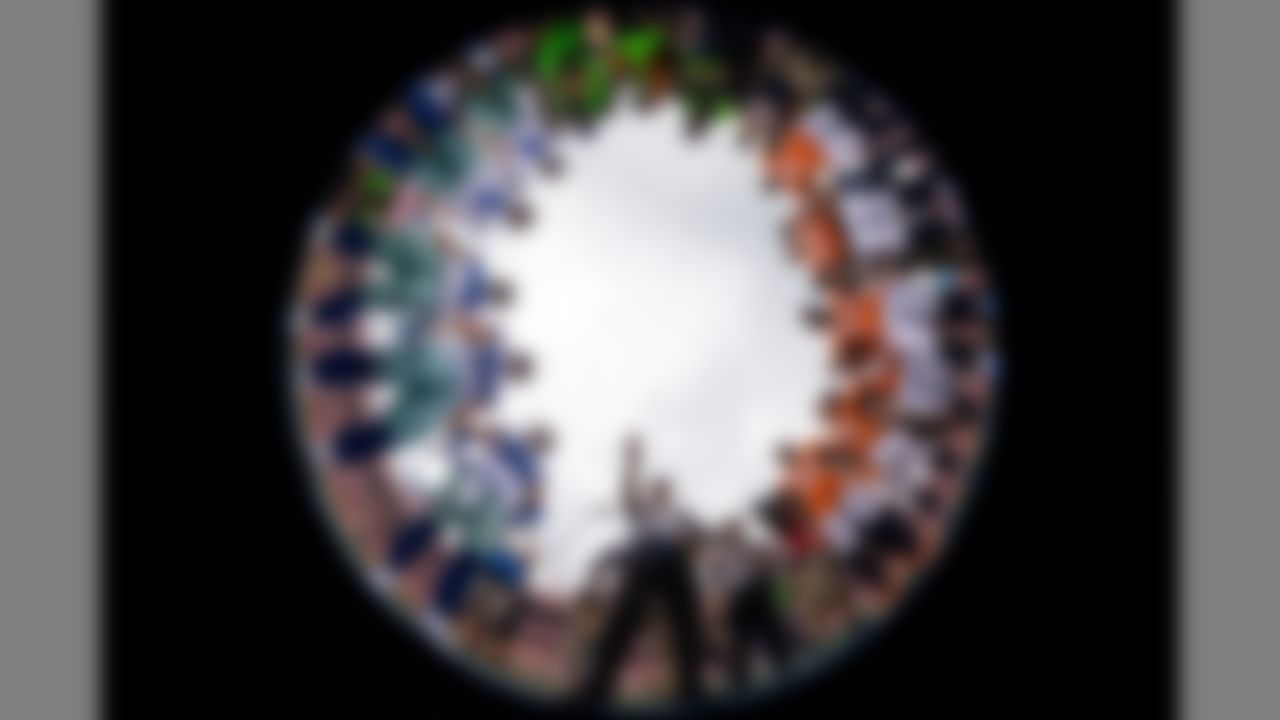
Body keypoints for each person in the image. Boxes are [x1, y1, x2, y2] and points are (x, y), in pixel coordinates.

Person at [576, 434, 705, 706]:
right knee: (621, 621)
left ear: (672, 491)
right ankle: (595, 688)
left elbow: (700, 541)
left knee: (687, 625)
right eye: (657, 485)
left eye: (666, 486)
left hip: (676, 562)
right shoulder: (644, 507)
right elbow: (627, 493)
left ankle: (691, 689)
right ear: (652, 489)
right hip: (645, 558)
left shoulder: (683, 512)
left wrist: (693, 543)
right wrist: (631, 459)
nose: (661, 489)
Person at [705, 520, 793, 689]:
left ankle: (783, 663)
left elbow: (774, 577)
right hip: (739, 606)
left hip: (761, 601)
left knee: (777, 640)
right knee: (741, 649)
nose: (735, 535)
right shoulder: (719, 558)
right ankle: (739, 679)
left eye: (737, 531)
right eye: (730, 532)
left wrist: (785, 603)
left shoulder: (754, 550)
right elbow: (718, 590)